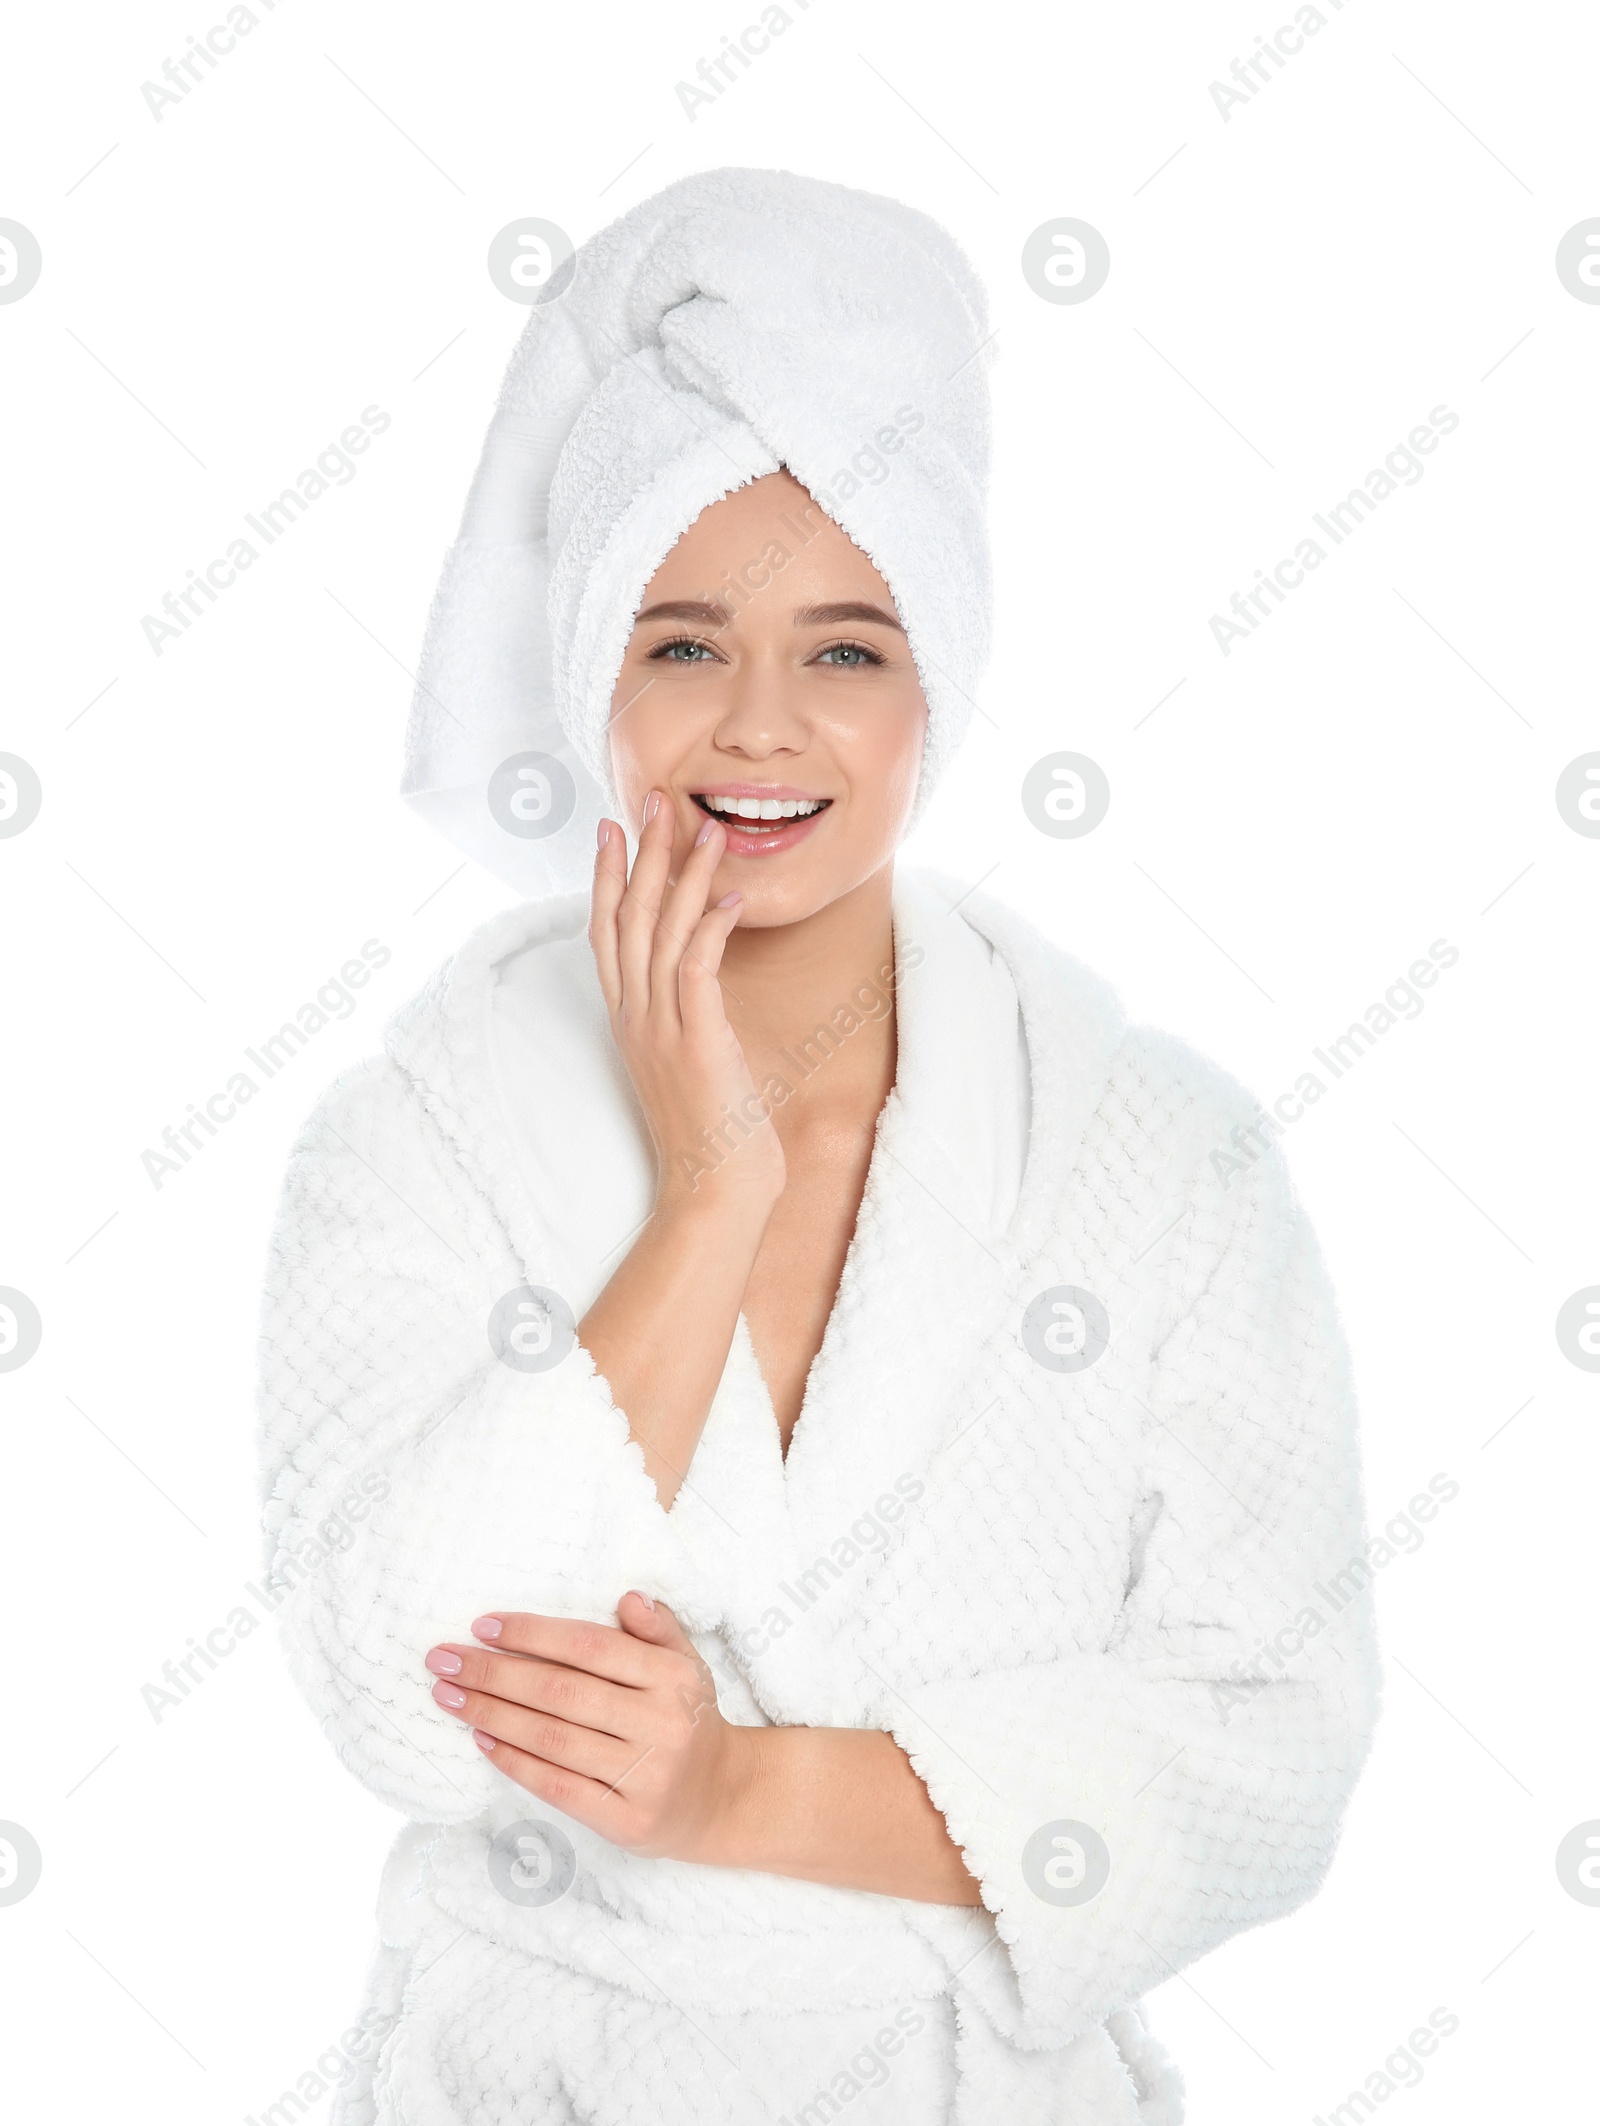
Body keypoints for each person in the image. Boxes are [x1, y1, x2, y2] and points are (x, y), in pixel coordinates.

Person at [257, 168, 1379, 2125]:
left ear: (937, 675)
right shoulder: (418, 1136)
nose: (757, 726)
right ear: (589, 668)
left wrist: (738, 1788)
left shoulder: (1156, 1158)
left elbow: (1266, 1743)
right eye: (681, 643)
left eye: (845, 647)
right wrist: (704, 1201)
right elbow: (396, 1704)